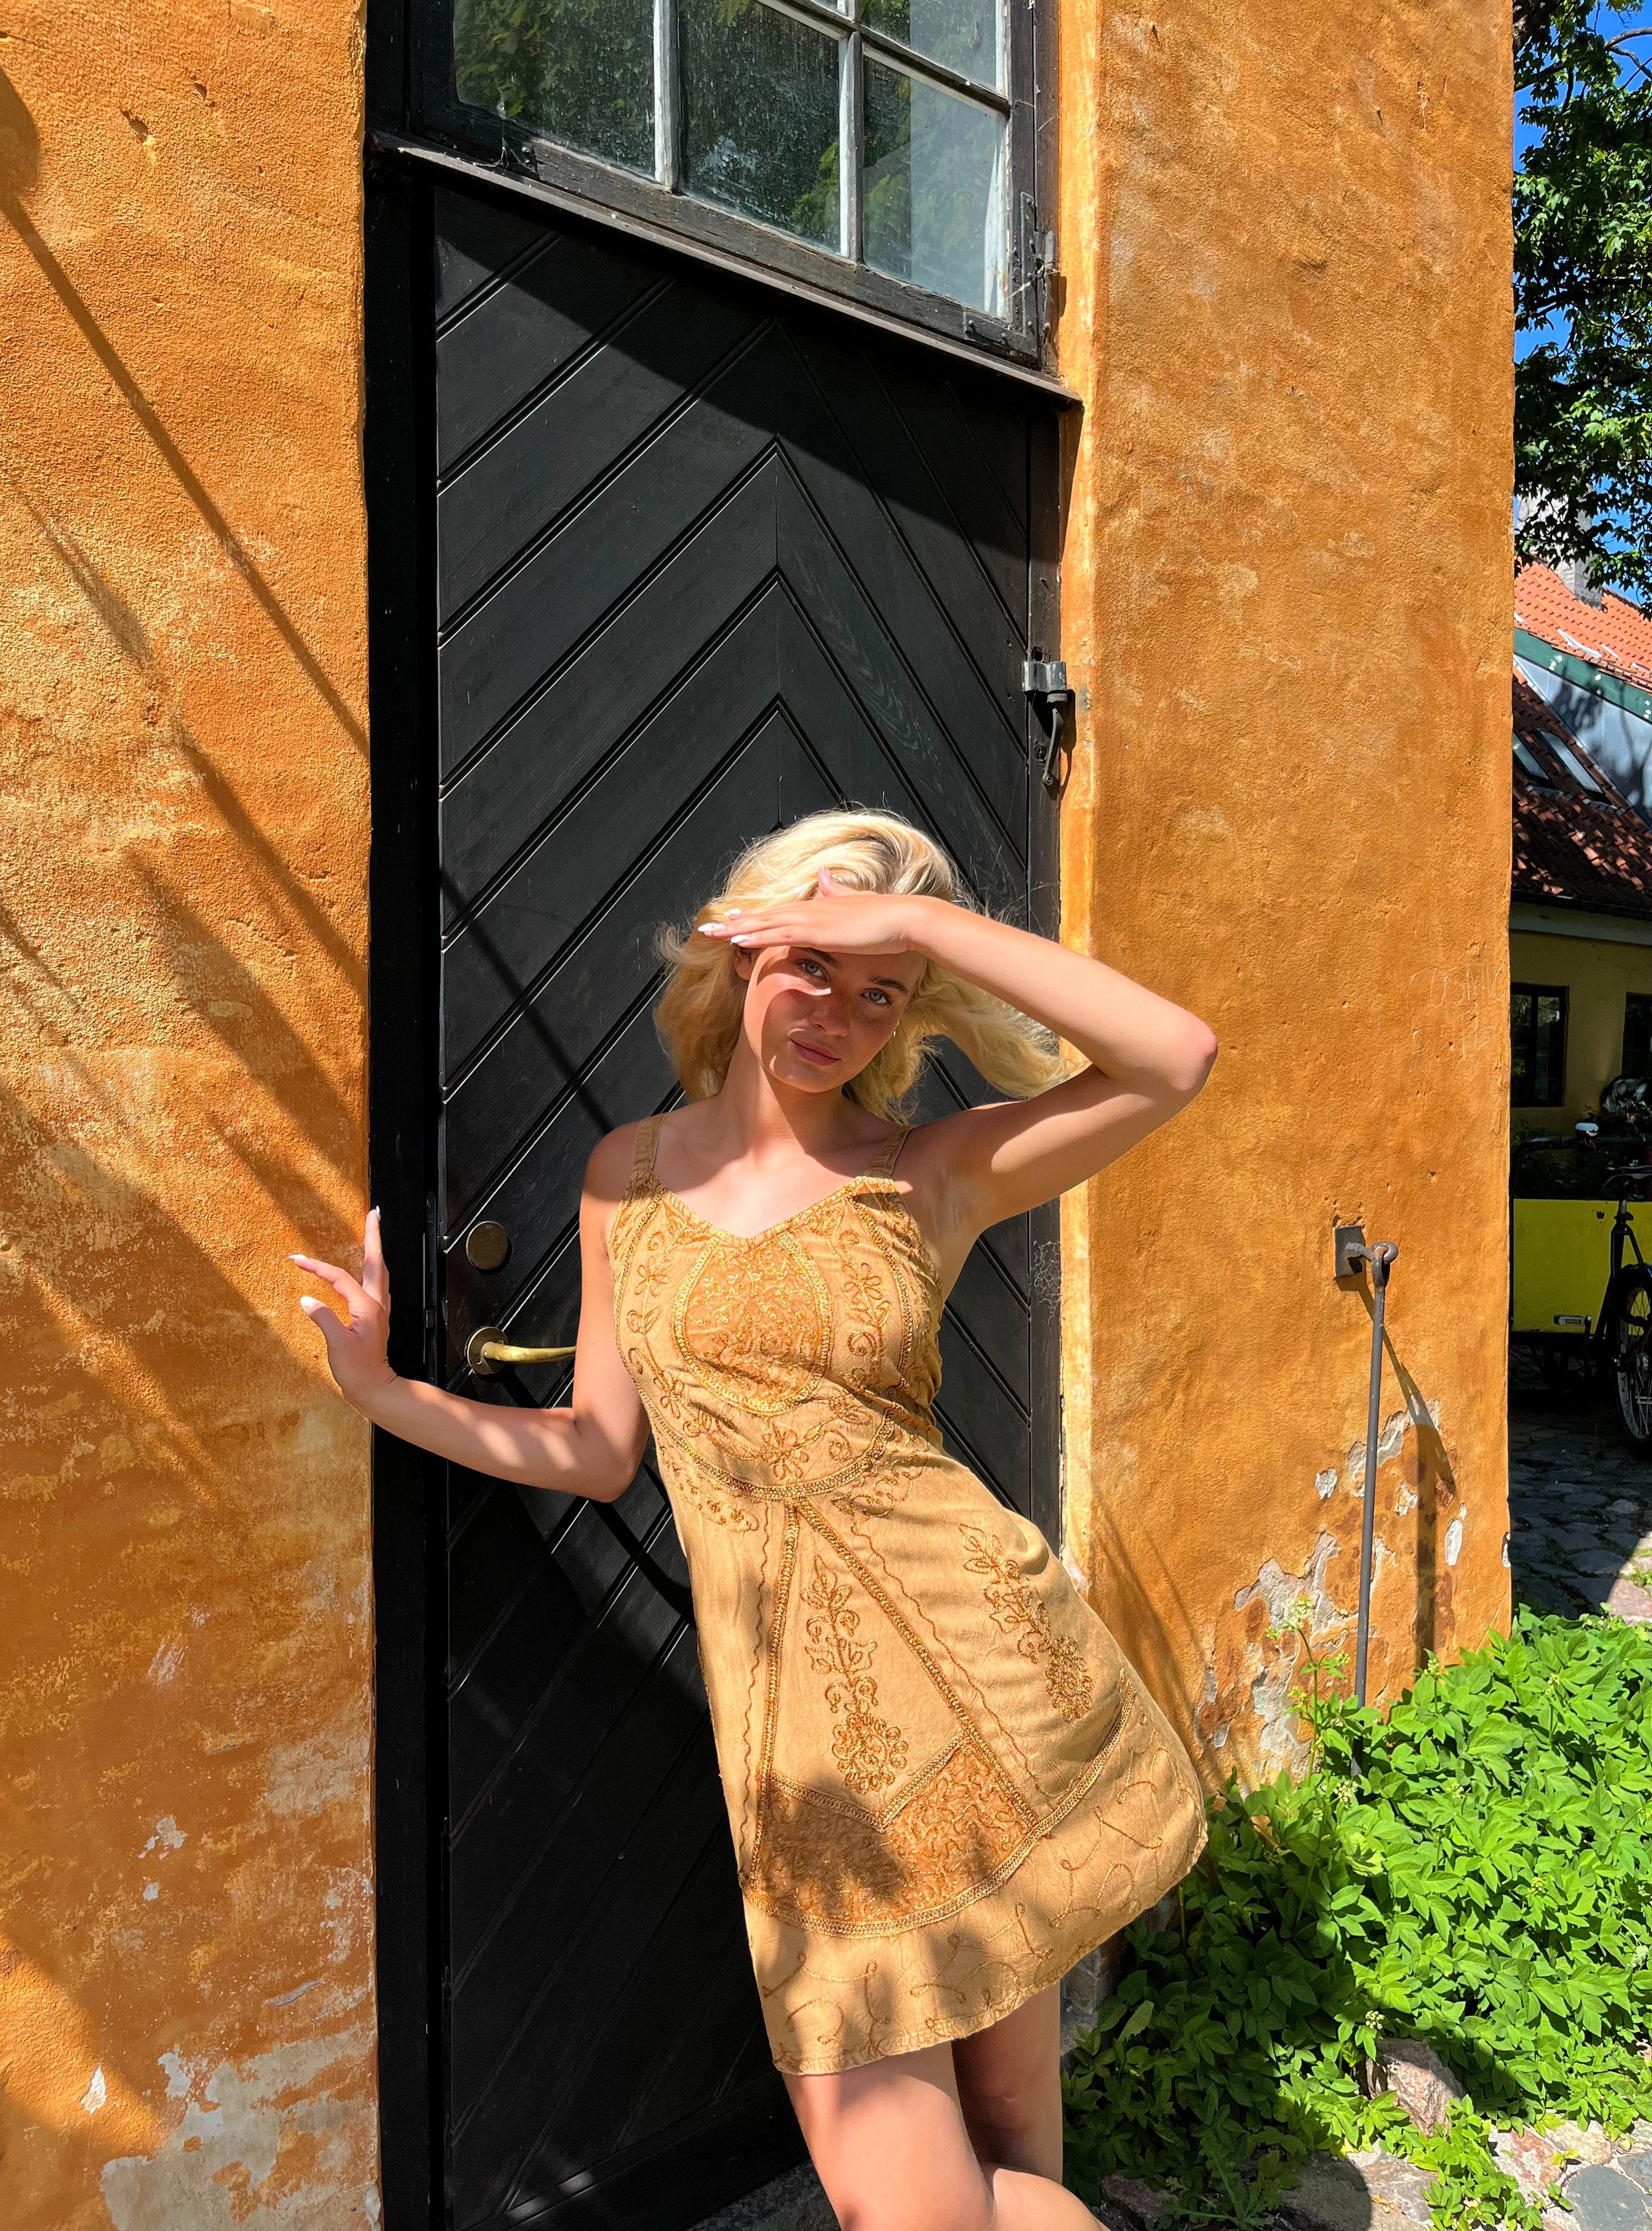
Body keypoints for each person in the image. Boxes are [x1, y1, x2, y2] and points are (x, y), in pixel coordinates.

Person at [293, 808, 1217, 2231]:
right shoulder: (626, 1177)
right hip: (804, 1760)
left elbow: (1175, 1059)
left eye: (880, 992)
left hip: (991, 1691)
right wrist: (385, 1391)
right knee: (916, 2207)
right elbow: (598, 1450)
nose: (837, 1013)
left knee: (1013, 2144)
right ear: (740, 952)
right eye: (810, 964)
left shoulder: (929, 1171)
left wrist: (917, 926)